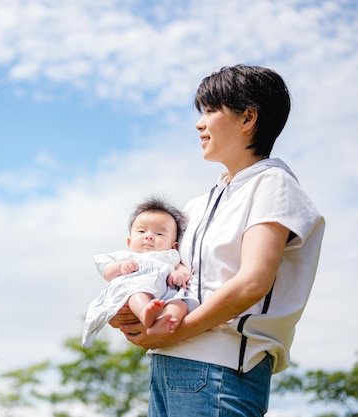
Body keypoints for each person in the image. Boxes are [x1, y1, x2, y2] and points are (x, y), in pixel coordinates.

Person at [109, 65, 325, 417]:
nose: (200, 123)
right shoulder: (196, 205)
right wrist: (128, 315)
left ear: (248, 118)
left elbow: (252, 282)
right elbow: (164, 277)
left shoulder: (273, 184)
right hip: (166, 368)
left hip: (220, 371)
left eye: (210, 111)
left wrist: (174, 333)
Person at [82, 197, 198, 348]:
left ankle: (165, 321)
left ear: (174, 246)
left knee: (180, 304)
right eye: (142, 231)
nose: (149, 236)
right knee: (138, 294)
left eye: (159, 234)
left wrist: (180, 274)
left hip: (165, 294)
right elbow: (107, 272)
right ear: (129, 242)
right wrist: (121, 266)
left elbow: (183, 269)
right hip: (138, 288)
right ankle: (145, 312)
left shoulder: (171, 257)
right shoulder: (127, 256)